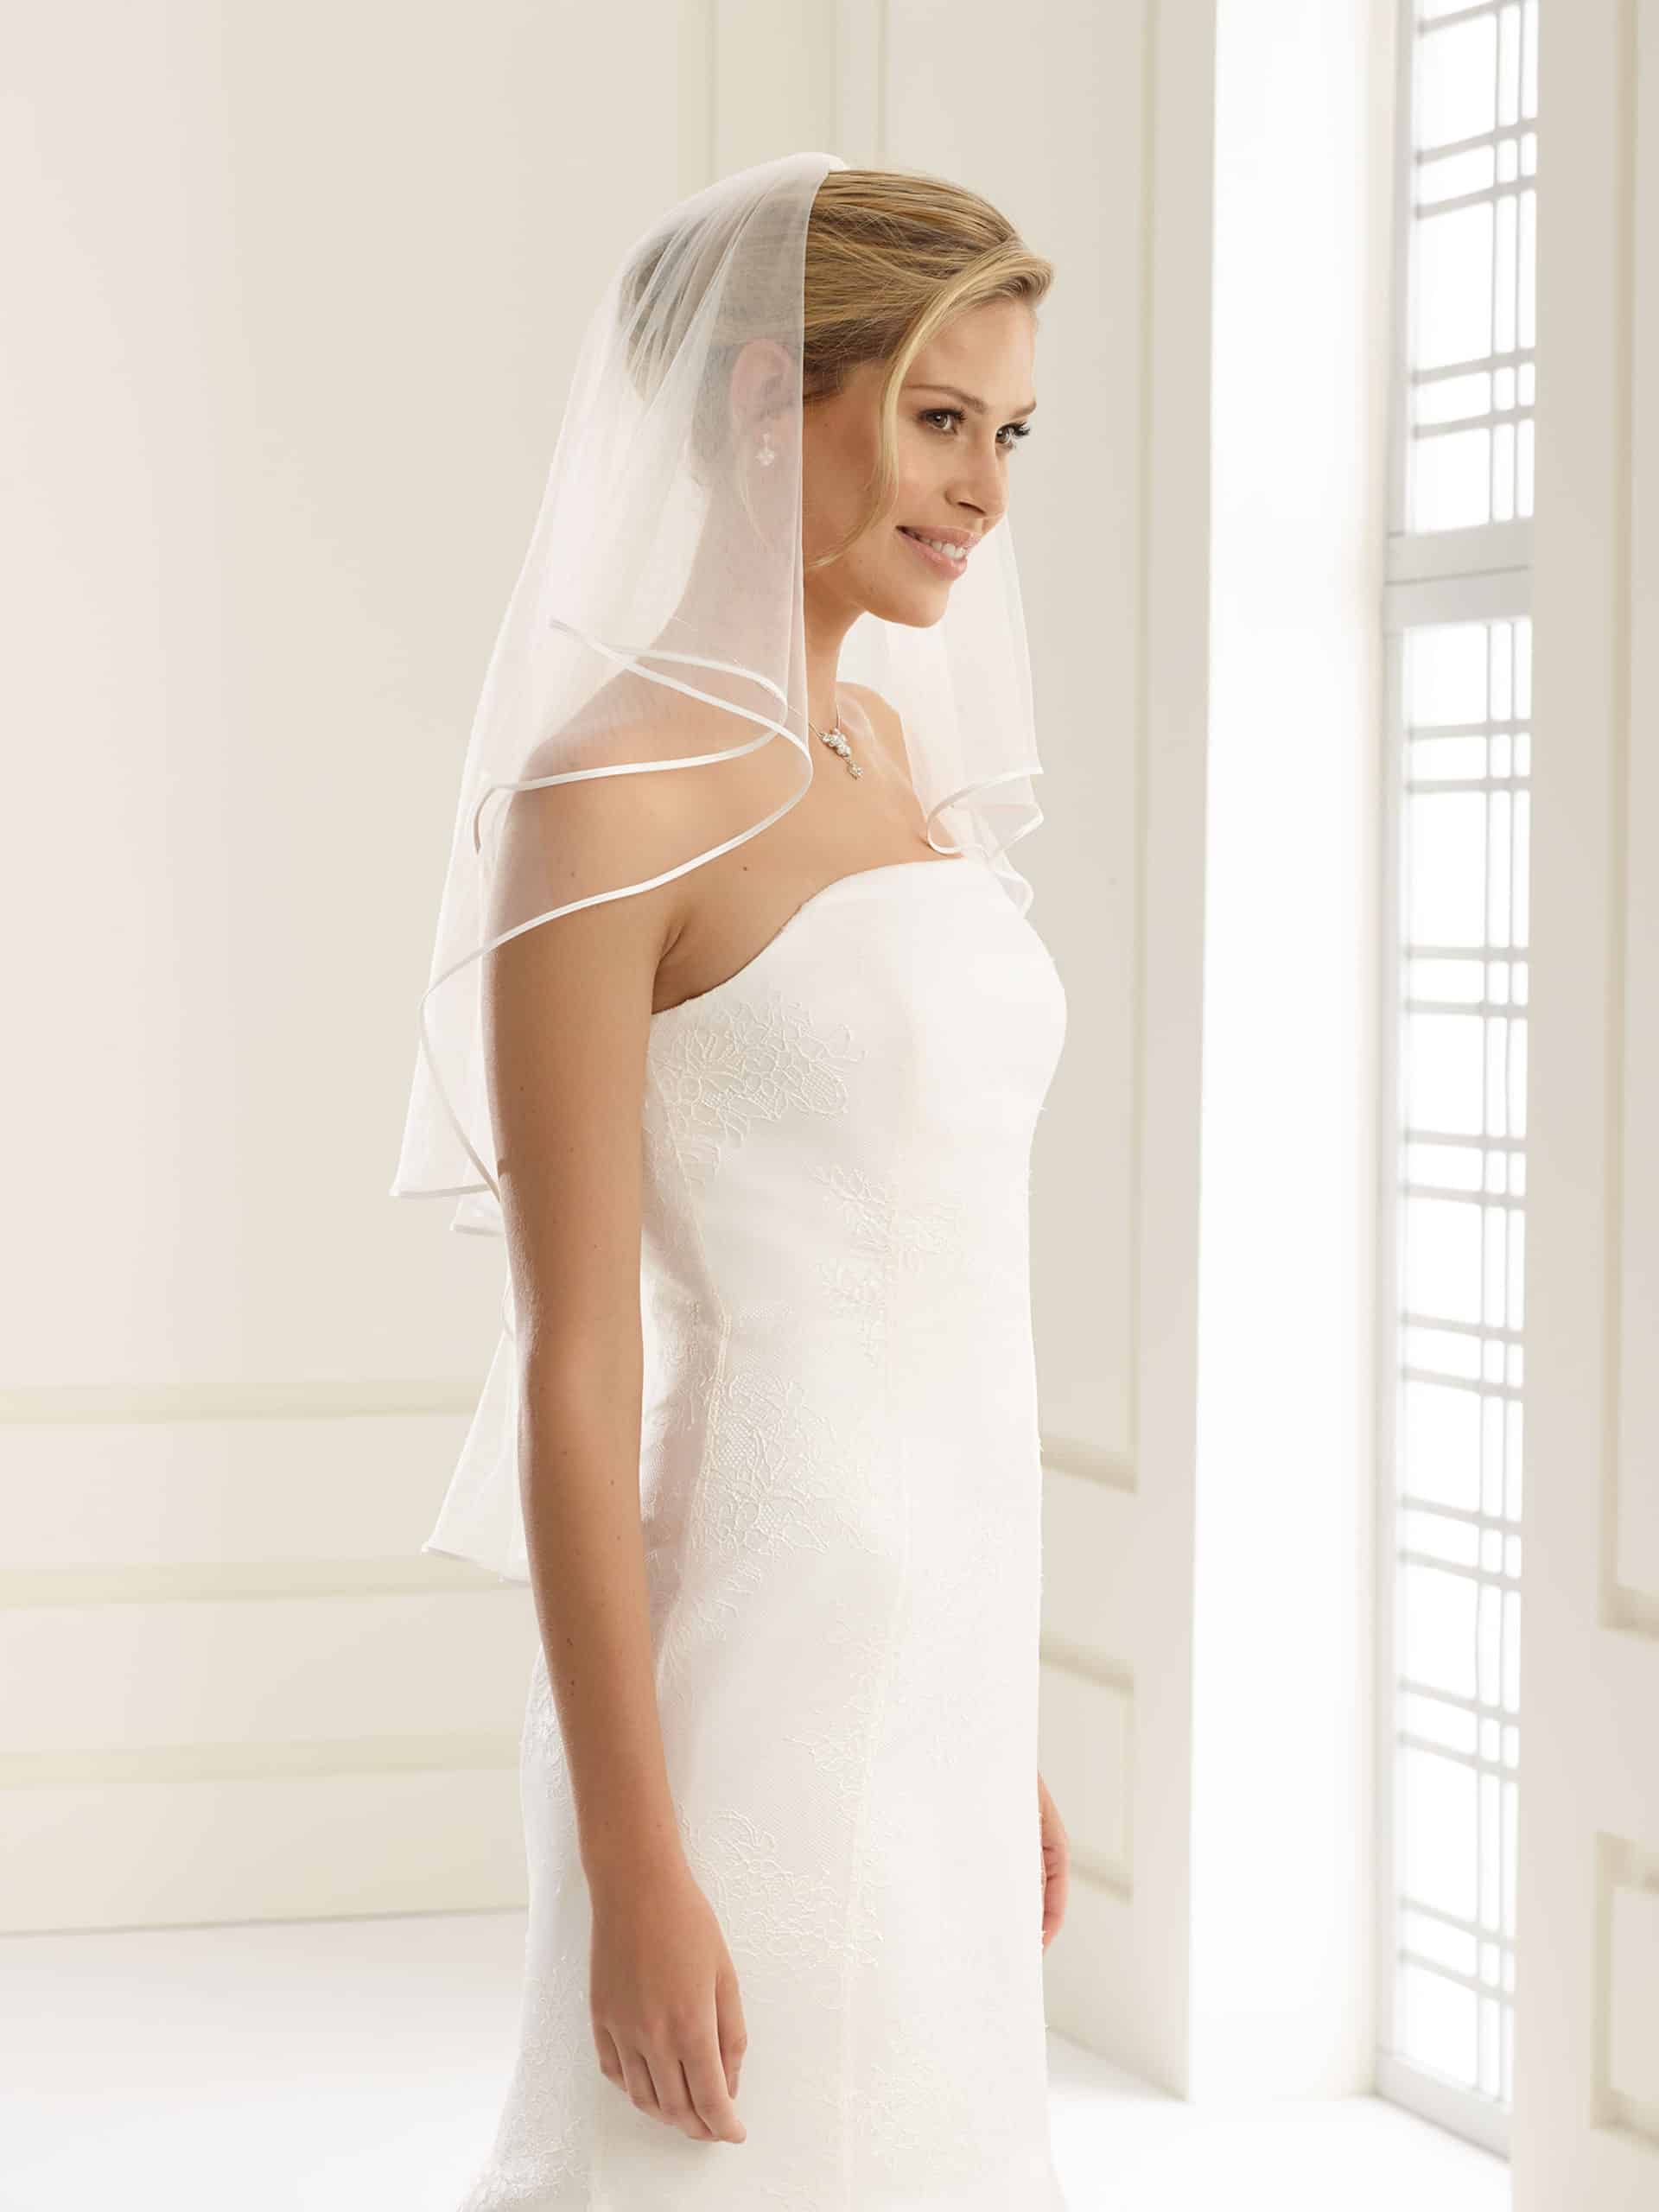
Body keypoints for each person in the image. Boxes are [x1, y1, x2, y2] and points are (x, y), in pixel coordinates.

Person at [391, 149, 1071, 2209]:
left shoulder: (899, 761)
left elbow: (936, 1268)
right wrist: (634, 1857)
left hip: (944, 1629)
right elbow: (576, 1356)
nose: (985, 490)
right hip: (756, 1645)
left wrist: (996, 1720)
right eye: (940, 417)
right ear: (772, 395)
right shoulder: (604, 802)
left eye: (1012, 432)